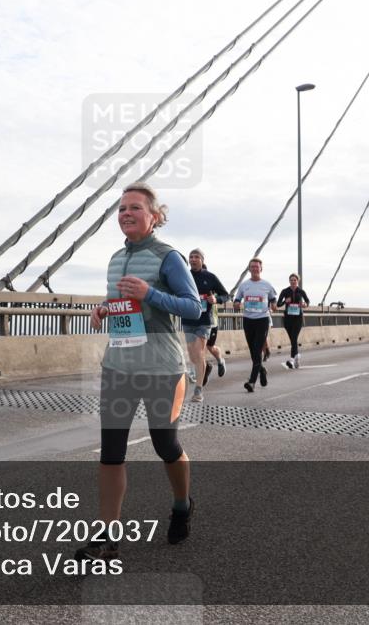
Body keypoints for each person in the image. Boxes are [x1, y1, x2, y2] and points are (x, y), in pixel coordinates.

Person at [76, 181, 201, 562]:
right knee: (111, 453)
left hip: (163, 370)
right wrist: (103, 309)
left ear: (154, 216)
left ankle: (182, 505)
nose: (126, 213)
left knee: (166, 445)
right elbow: (121, 305)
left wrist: (151, 294)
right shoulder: (116, 259)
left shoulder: (170, 257)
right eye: (121, 209)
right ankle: (107, 533)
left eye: (135, 208)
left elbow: (194, 308)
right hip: (118, 367)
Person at [182, 249, 229, 402]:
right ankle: (204, 368)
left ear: (202, 260)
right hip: (188, 320)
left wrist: (216, 299)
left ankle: (198, 390)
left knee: (199, 352)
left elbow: (225, 295)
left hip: (204, 321)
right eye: (191, 257)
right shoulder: (184, 276)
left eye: (196, 257)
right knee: (193, 356)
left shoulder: (210, 277)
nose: (193, 259)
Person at [233, 258, 278, 392]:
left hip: (262, 320)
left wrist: (274, 306)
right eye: (252, 267)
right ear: (249, 269)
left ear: (261, 269)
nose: (254, 269)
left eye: (257, 267)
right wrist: (236, 304)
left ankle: (252, 381)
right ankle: (262, 370)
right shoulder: (244, 285)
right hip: (248, 320)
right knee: (253, 352)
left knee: (258, 349)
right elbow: (237, 299)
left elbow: (273, 299)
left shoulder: (267, 285)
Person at [276, 273, 310, 369]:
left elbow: (307, 301)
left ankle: (291, 359)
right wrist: (284, 302)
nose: (293, 281)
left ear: (297, 281)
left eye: (295, 280)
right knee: (292, 339)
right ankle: (296, 356)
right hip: (288, 318)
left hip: (298, 318)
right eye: (291, 280)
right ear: (289, 281)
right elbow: (278, 304)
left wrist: (304, 305)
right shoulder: (285, 291)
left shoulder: (301, 291)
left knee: (294, 338)